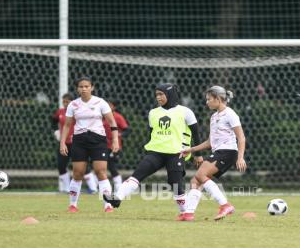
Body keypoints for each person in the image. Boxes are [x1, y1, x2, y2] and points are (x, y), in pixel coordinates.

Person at [104, 83, 204, 218]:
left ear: (170, 94)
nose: (158, 97)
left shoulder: (186, 112)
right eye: (157, 94)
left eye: (161, 94)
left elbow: (196, 135)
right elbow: (152, 134)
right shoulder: (153, 113)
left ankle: (185, 212)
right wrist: (149, 150)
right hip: (156, 152)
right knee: (137, 175)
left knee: (175, 185)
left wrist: (197, 155)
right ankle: (117, 198)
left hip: (176, 153)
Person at [178, 86, 246, 221]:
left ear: (218, 99)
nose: (207, 102)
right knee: (195, 181)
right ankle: (188, 214)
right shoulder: (214, 116)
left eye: (209, 99)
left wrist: (240, 158)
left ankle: (225, 205)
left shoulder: (230, 114)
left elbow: (241, 137)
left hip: (228, 152)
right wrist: (191, 150)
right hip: (219, 152)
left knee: (200, 174)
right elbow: (210, 142)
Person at [60, 76, 119, 213]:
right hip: (79, 141)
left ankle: (108, 205)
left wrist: (115, 140)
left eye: (87, 86)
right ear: (77, 89)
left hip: (98, 140)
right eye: (81, 86)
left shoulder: (100, 102)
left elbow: (112, 123)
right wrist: (62, 142)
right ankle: (73, 205)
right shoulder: (73, 105)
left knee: (101, 172)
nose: (84, 89)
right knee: (78, 173)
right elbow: (67, 125)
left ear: (92, 87)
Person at [52, 93, 98, 193]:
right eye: (63, 102)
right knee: (61, 165)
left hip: (76, 143)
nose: (64, 104)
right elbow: (53, 121)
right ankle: (67, 189)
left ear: (72, 102)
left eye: (67, 102)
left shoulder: (78, 111)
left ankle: (93, 188)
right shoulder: (60, 112)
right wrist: (56, 131)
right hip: (64, 143)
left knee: (81, 165)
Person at [103, 100, 131, 192]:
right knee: (99, 166)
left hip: (114, 146)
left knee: (111, 166)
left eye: (110, 105)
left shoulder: (118, 117)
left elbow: (127, 130)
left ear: (114, 107)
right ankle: (100, 188)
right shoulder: (102, 117)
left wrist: (119, 135)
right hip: (103, 145)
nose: (108, 107)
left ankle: (119, 189)